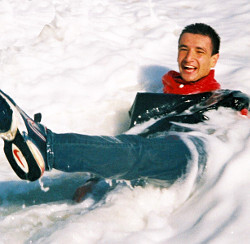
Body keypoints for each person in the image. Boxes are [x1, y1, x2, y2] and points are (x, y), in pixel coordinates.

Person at [0, 24, 249, 197]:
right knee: (134, 149)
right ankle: (41, 151)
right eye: (183, 48)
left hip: (193, 154)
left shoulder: (229, 99)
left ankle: (44, 145)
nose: (188, 57)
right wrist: (94, 180)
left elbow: (241, 141)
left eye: (199, 51)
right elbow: (123, 148)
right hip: (147, 162)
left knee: (142, 151)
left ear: (214, 59)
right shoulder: (155, 102)